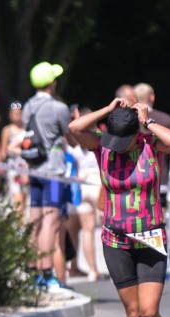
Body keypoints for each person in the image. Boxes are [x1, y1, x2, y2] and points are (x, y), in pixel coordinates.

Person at [69, 98, 170, 317]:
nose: (117, 145)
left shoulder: (149, 144)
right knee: (133, 315)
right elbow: (74, 126)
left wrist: (147, 121)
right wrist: (108, 109)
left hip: (150, 237)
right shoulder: (102, 147)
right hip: (116, 240)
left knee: (149, 311)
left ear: (136, 134)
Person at [23, 61, 75, 291]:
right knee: (50, 223)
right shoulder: (58, 108)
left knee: (34, 220)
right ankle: (46, 274)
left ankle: (31, 271)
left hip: (34, 169)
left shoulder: (27, 106)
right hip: (53, 172)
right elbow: (70, 136)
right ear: (51, 83)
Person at [66, 107, 102, 281]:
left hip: (80, 185)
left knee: (82, 230)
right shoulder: (97, 137)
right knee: (99, 229)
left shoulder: (73, 140)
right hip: (97, 183)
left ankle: (87, 269)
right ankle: (96, 269)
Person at [133, 83, 170, 209]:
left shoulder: (129, 118)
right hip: (159, 174)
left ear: (135, 98)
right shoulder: (165, 118)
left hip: (133, 173)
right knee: (160, 211)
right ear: (152, 97)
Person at [0, 100, 28, 212]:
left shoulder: (27, 129)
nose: (16, 116)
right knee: (17, 198)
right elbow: (3, 149)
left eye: (19, 113)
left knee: (26, 196)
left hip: (26, 165)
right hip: (13, 166)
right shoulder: (7, 130)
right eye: (14, 113)